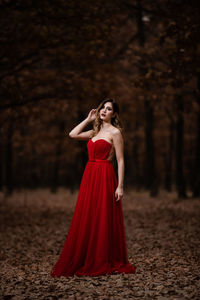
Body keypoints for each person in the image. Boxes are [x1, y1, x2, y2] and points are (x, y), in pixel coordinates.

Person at [50, 98, 136, 277]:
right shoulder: (94, 131)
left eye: (109, 109)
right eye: (102, 108)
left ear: (114, 114)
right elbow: (72, 134)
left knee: (103, 215)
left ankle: (103, 257)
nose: (104, 110)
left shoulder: (115, 132)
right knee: (88, 214)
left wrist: (120, 186)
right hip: (89, 175)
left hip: (105, 174)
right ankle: (86, 255)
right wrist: (88, 119)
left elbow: (120, 160)